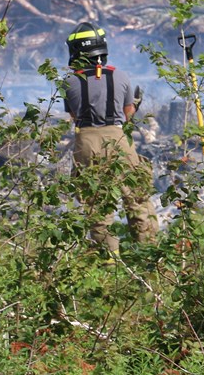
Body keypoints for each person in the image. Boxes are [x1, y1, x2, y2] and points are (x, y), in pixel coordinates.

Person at [62, 21, 159, 254]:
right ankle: (150, 256)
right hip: (118, 139)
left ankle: (107, 260)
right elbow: (128, 115)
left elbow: (74, 116)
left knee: (97, 207)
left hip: (86, 140)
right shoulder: (121, 76)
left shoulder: (68, 82)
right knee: (137, 200)